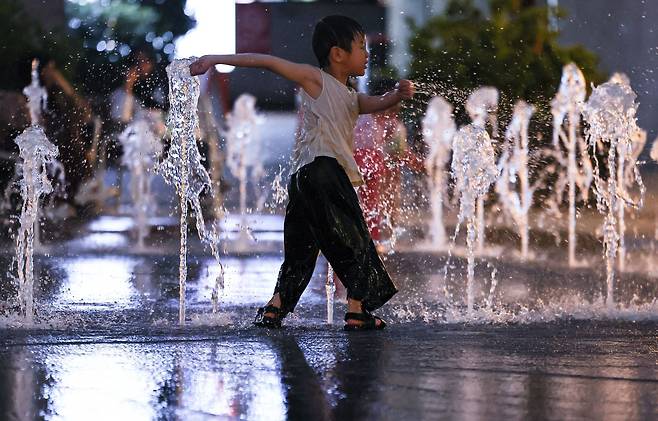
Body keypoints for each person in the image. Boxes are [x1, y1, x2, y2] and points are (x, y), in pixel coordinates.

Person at [190, 15, 414, 330]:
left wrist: (396, 95)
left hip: (302, 178)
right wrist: (214, 59)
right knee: (355, 236)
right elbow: (267, 62)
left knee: (301, 246)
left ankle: (275, 307)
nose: (366, 55)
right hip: (325, 170)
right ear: (338, 54)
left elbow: (373, 103)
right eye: (361, 48)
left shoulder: (349, 95)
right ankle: (357, 308)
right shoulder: (315, 79)